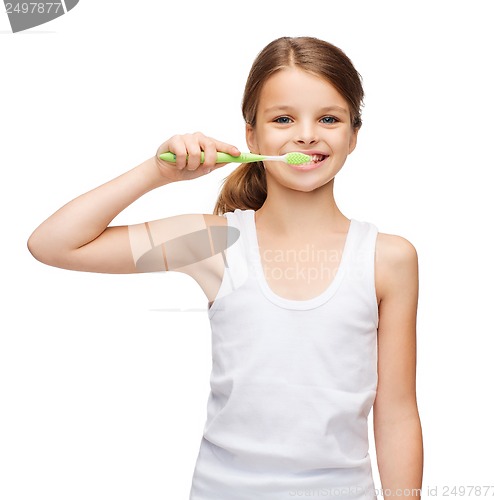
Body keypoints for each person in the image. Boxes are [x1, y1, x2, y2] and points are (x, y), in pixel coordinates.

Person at [27, 36, 423, 499]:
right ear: (252, 136)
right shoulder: (214, 243)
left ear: (353, 135)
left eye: (329, 119)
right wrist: (158, 172)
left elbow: (396, 412)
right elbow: (52, 244)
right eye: (283, 119)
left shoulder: (388, 258)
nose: (307, 134)